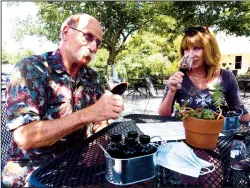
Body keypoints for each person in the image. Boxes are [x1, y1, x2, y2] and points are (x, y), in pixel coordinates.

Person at [2, 13, 124, 187]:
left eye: (98, 42)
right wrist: (88, 114)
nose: (94, 47)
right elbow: (25, 137)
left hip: (77, 170)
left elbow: (100, 123)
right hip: (32, 174)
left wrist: (99, 147)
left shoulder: (93, 78)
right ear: (66, 32)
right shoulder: (32, 69)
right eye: (88, 37)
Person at [158, 26, 250, 122]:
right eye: (186, 49)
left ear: (209, 50)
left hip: (215, 135)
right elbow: (163, 115)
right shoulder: (178, 78)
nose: (190, 55)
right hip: (183, 133)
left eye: (197, 48)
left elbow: (241, 113)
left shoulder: (226, 76)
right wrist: (171, 92)